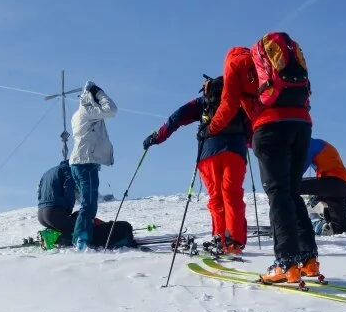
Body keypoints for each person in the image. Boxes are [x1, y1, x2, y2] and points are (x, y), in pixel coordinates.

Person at [206, 36, 316, 284]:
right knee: (293, 192)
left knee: (278, 194)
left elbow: (228, 105)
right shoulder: (274, 60)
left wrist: (211, 129)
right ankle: (309, 260)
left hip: (270, 127)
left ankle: (285, 262)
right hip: (302, 125)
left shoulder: (234, 63)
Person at [143, 75, 249, 254]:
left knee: (216, 197)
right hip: (235, 151)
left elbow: (177, 117)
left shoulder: (203, 102)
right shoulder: (238, 100)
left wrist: (158, 136)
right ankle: (233, 243)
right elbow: (252, 124)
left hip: (208, 153)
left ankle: (219, 239)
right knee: (232, 195)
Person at [36, 160, 136, 249]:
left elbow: (39, 193)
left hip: (41, 215)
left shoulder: (48, 172)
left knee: (68, 224)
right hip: (54, 212)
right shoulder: (68, 169)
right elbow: (68, 190)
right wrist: (68, 208)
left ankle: (51, 234)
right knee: (78, 231)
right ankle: (56, 239)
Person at [68, 80, 118, 250]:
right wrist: (100, 93)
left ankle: (83, 235)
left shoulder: (79, 113)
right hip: (85, 163)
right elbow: (112, 109)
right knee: (89, 203)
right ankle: (81, 239)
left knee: (89, 202)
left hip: (81, 162)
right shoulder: (88, 111)